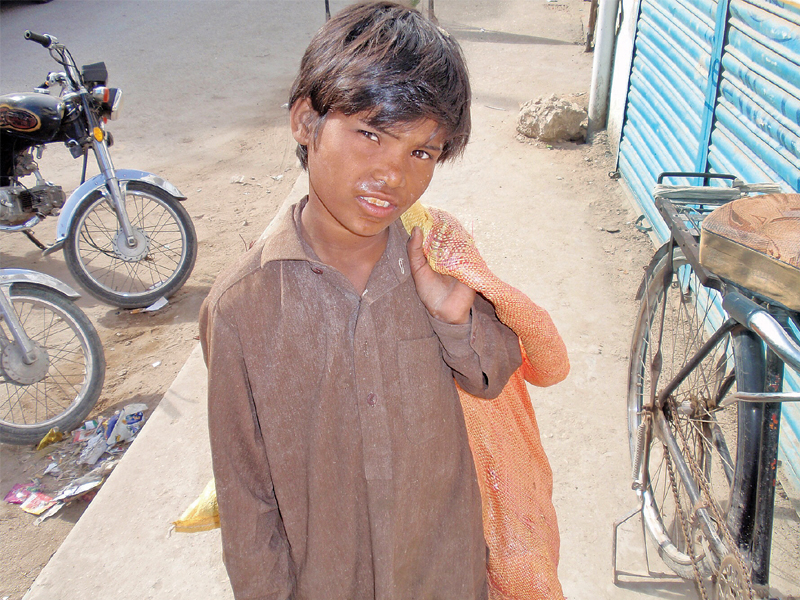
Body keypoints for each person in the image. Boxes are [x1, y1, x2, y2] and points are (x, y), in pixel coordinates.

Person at [199, 2, 522, 598]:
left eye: (421, 152)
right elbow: (245, 493)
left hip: (444, 571)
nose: (392, 175)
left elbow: (491, 377)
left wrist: (455, 319)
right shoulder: (242, 308)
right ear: (305, 122)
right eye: (371, 134)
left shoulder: (439, 261)